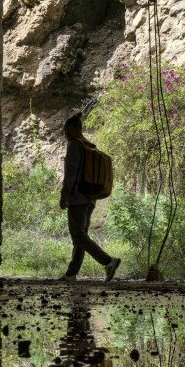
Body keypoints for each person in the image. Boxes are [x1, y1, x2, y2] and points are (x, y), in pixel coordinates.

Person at [59, 112, 121, 282]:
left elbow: (70, 173)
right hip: (90, 199)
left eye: (65, 131)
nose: (65, 134)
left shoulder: (74, 145)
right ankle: (71, 274)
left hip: (77, 198)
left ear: (72, 129)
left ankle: (108, 261)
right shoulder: (90, 146)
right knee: (81, 236)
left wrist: (64, 194)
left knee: (78, 236)